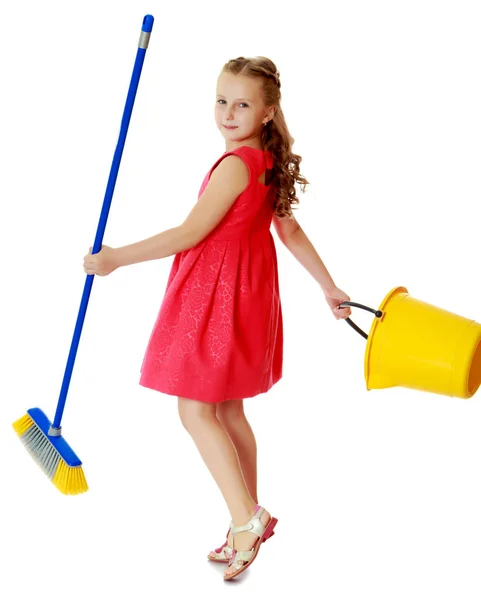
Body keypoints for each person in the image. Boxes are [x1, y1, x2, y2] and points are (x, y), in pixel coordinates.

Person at [83, 55, 352, 580]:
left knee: (195, 411)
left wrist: (117, 257)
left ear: (269, 112)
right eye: (221, 100)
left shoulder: (235, 166)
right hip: (249, 296)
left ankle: (248, 518)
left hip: (218, 297)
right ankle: (243, 525)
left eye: (243, 104)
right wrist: (328, 286)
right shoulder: (265, 162)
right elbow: (289, 232)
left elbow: (189, 234)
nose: (228, 113)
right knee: (227, 413)